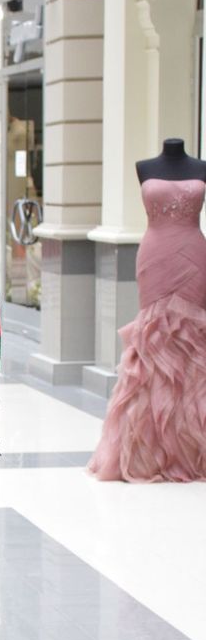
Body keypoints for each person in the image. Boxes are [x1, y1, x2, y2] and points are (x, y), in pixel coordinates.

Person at [88, 136, 206, 482]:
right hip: (155, 258)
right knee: (153, 342)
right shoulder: (145, 167)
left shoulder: (202, 168)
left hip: (194, 256)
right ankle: (148, 453)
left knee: (193, 346)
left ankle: (192, 450)